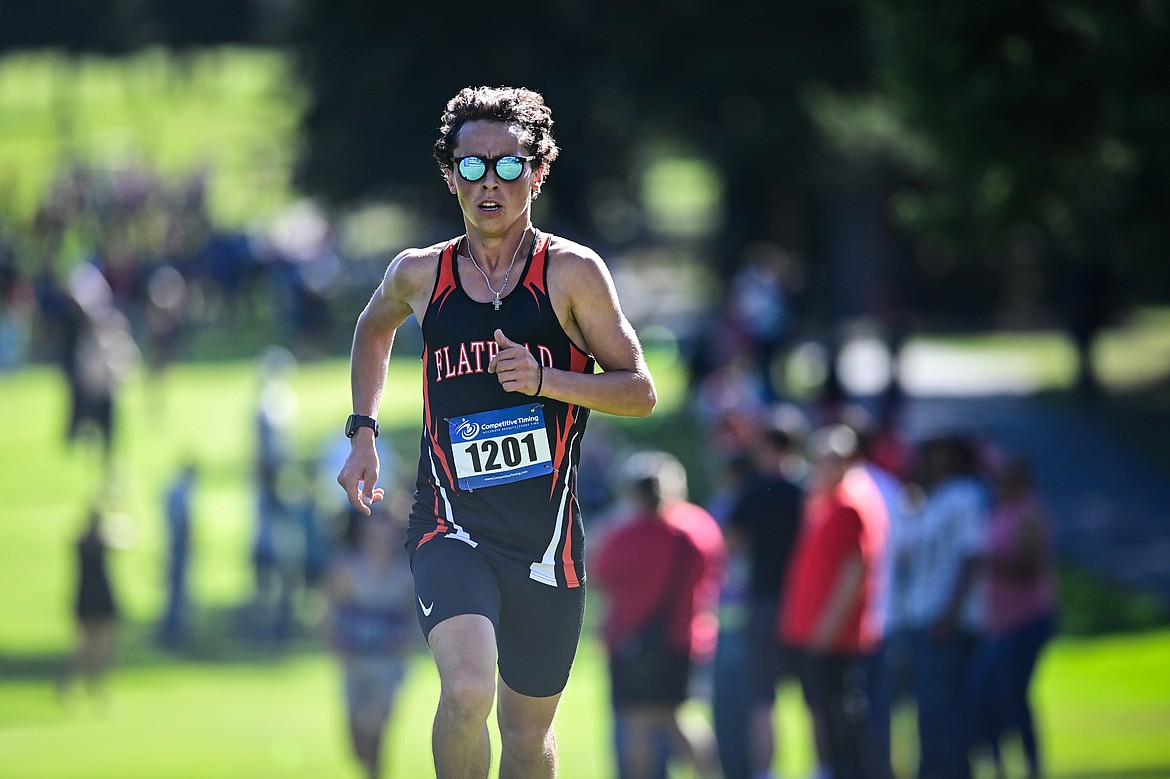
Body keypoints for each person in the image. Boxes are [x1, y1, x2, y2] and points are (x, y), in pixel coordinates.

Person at [336, 85, 657, 779]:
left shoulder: (572, 274)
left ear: (538, 172)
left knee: (526, 734)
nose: (490, 183)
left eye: (509, 166)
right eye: (472, 166)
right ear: (449, 172)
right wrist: (362, 429)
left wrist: (547, 380)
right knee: (468, 689)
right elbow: (373, 326)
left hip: (545, 543)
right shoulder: (419, 274)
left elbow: (640, 390)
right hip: (449, 525)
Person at [591, 450, 726, 779]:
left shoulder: (626, 534)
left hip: (631, 642)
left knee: (637, 724)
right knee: (681, 719)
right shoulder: (699, 528)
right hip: (685, 639)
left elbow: (597, 574)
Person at [777, 424, 889, 779]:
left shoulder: (851, 503)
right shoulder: (826, 500)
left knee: (843, 720)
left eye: (830, 459)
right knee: (825, 712)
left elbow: (856, 571)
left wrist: (827, 628)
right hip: (814, 631)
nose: (820, 466)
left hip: (835, 637)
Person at [718, 405, 807, 779]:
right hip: (804, 603)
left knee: (763, 700)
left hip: (763, 600)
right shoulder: (808, 491)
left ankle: (765, 773)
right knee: (814, 698)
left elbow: (731, 545)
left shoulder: (753, 494)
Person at [895, 434, 989, 779]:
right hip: (922, 617)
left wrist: (950, 612)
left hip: (946, 621)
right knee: (928, 708)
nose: (934, 462)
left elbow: (971, 557)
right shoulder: (932, 500)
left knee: (945, 708)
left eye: (942, 455)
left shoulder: (964, 497)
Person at [968, 456, 1058, 779]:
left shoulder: (1030, 512)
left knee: (1013, 697)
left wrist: (993, 564)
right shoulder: (998, 511)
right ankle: (998, 764)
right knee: (984, 695)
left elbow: (1031, 567)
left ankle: (1032, 766)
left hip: (1027, 619)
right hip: (999, 625)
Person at [326, 506, 418, 779]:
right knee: (356, 740)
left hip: (388, 662)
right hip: (354, 660)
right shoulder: (348, 569)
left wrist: (407, 639)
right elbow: (328, 608)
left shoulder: (406, 573)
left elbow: (416, 615)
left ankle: (376, 773)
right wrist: (334, 640)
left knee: (378, 727)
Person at [160, 462, 197, 648]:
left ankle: (172, 630)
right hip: (179, 546)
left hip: (173, 545)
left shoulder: (171, 488)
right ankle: (174, 632)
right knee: (178, 591)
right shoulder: (182, 492)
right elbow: (183, 521)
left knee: (174, 590)